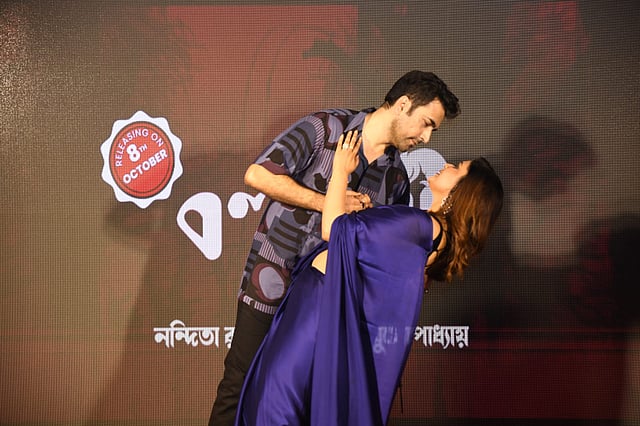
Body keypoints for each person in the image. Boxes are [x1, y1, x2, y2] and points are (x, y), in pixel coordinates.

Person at [210, 70, 461, 425]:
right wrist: (326, 201)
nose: (426, 137)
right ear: (403, 104)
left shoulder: (397, 180)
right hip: (273, 278)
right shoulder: (326, 127)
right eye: (426, 124)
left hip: (323, 303)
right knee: (238, 385)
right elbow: (258, 174)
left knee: (300, 401)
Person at [234, 131, 504, 425]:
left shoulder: (420, 225)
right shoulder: (438, 238)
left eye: (457, 168)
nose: (447, 165)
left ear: (463, 192)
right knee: (291, 401)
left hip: (319, 306)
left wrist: (340, 170)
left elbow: (332, 229)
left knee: (275, 399)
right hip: (327, 309)